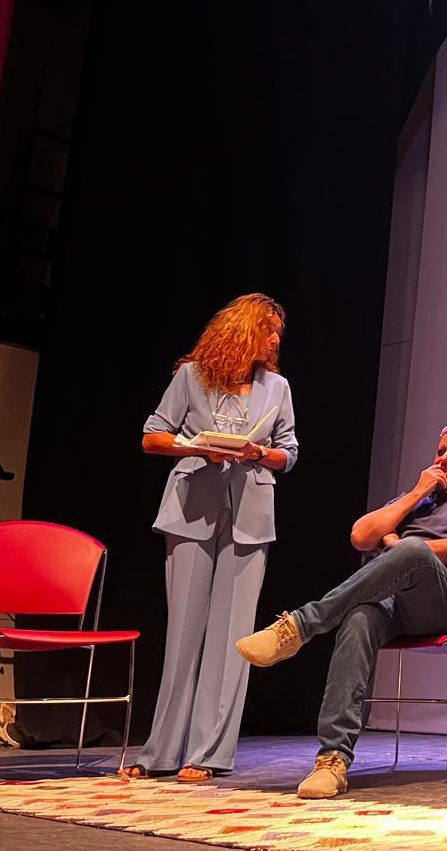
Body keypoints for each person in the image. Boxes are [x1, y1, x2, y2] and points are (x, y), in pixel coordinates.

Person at [235, 420, 447, 798]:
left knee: (412, 551)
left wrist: (403, 548)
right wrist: (417, 492)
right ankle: (333, 758)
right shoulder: (415, 499)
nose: (444, 458)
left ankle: (300, 626)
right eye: (441, 451)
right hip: (397, 606)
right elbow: (361, 536)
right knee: (359, 617)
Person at [126, 294, 298, 782]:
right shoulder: (191, 376)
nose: (275, 340)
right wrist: (197, 447)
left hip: (250, 513)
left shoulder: (277, 387)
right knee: (183, 633)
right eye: (267, 330)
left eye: (278, 333)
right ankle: (160, 752)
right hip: (191, 508)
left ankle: (207, 753)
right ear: (242, 330)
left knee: (232, 637)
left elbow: (289, 452)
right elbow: (153, 436)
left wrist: (258, 453)